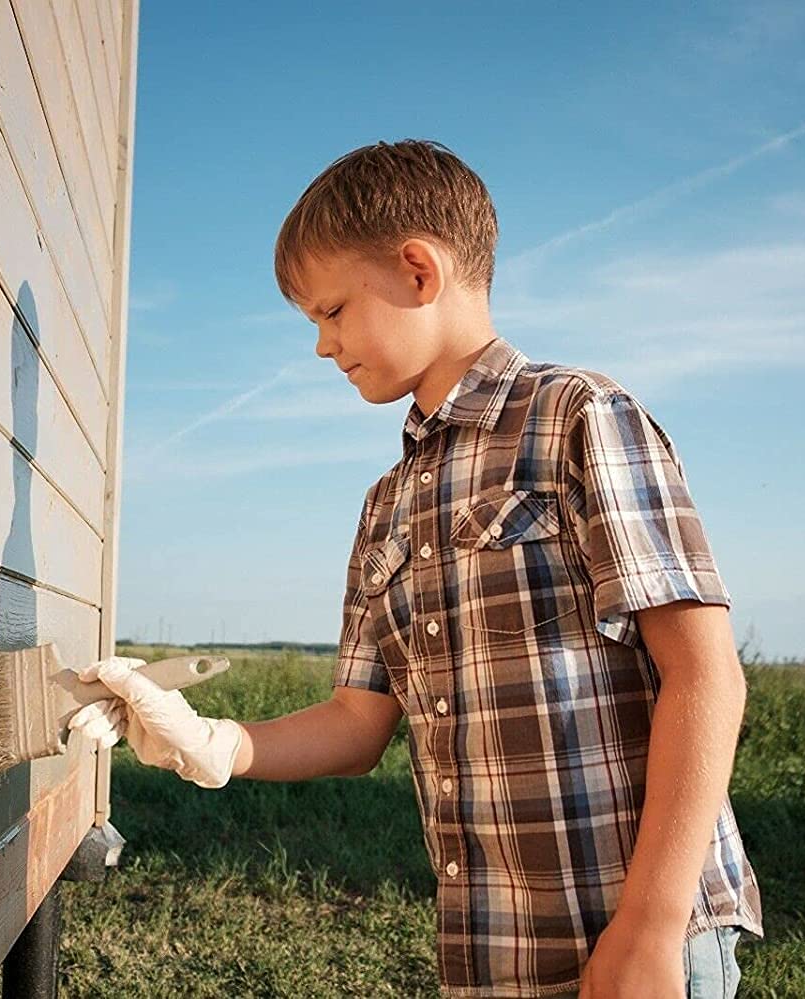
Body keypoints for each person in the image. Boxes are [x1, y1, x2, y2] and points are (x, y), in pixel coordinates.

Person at [68, 139, 762, 998]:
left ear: (418, 270)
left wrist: (651, 925)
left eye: (331, 311)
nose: (322, 345)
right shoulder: (385, 504)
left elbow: (705, 673)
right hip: (493, 948)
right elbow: (357, 724)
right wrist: (212, 743)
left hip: (633, 935)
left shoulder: (579, 417)